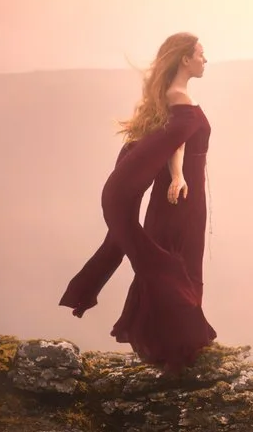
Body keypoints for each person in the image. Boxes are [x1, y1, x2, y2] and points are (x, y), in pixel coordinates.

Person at [60, 32, 216, 375]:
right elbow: (178, 139)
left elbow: (178, 141)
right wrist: (178, 178)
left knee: (178, 261)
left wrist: (178, 176)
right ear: (185, 59)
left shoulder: (176, 97)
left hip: (183, 191)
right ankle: (180, 345)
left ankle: (170, 344)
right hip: (181, 198)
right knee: (179, 263)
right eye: (201, 55)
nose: (206, 60)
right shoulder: (179, 97)